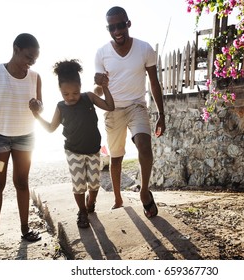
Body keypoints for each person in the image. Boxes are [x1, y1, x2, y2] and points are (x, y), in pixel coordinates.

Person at [0, 33, 42, 252]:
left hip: (25, 138)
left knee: (22, 182)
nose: (30, 63)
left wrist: (37, 106)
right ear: (16, 49)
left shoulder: (35, 77)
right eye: (28, 57)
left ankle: (25, 228)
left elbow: (40, 107)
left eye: (34, 59)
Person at [94, 6, 166, 218]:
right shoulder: (101, 53)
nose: (117, 31)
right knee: (116, 157)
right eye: (112, 27)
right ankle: (118, 198)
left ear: (128, 24)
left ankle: (144, 191)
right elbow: (99, 88)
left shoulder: (145, 49)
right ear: (108, 29)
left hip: (137, 105)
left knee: (144, 145)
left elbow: (154, 83)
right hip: (112, 108)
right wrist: (98, 84)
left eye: (120, 25)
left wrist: (161, 114)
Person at [29, 59, 114, 228]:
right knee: (79, 184)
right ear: (60, 91)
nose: (71, 97)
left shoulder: (89, 97)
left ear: (80, 87)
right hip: (73, 152)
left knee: (95, 183)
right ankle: (82, 211)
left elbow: (110, 106)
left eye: (75, 93)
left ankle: (91, 204)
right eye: (65, 94)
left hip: (93, 150)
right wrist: (36, 115)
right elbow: (51, 128)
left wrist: (104, 86)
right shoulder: (61, 107)